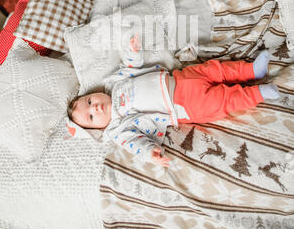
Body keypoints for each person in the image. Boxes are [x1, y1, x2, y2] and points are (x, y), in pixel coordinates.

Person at [68, 33, 280, 167]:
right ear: (97, 129)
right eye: (91, 116)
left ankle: (252, 69)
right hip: (183, 106)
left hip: (180, 78)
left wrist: (133, 53)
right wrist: (151, 153)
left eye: (88, 102)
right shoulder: (117, 129)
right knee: (223, 101)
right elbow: (135, 144)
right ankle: (259, 93)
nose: (94, 107)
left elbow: (131, 68)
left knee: (214, 70)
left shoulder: (113, 84)